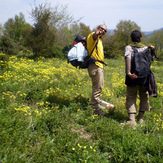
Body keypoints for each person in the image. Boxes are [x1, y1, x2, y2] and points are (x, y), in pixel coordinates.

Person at [123, 30, 155, 128]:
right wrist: (152, 50)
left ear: (131, 38)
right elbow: (150, 60)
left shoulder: (129, 47)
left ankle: (132, 120)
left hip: (133, 76)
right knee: (144, 95)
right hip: (145, 77)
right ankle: (140, 117)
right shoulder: (145, 48)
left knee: (131, 96)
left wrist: (128, 72)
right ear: (140, 38)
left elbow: (127, 58)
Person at [87, 24, 114, 115]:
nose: (103, 31)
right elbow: (94, 36)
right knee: (97, 88)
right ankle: (95, 109)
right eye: (102, 29)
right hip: (95, 66)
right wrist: (96, 33)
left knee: (99, 86)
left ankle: (96, 105)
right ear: (97, 28)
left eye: (105, 30)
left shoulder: (99, 40)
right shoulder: (92, 36)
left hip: (99, 66)